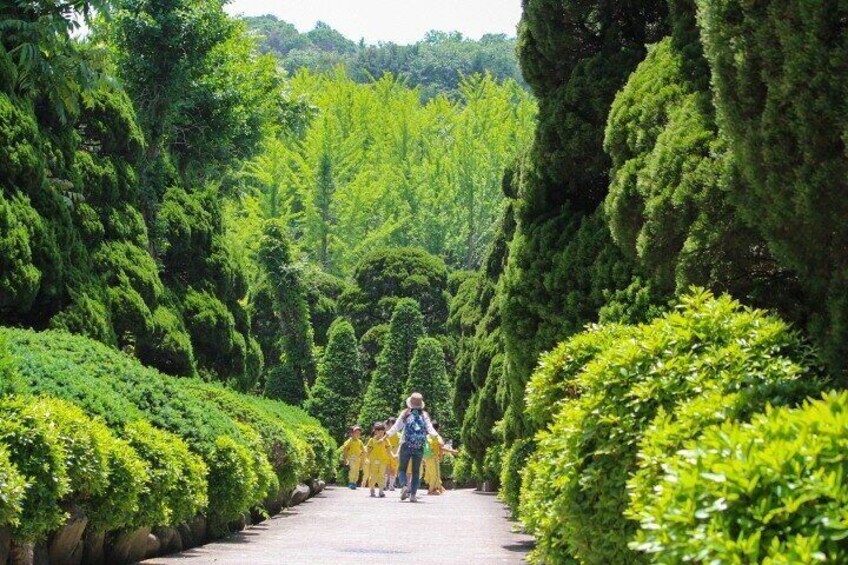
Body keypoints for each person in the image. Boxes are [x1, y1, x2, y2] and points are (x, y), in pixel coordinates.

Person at [384, 392, 441, 503]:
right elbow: (430, 428)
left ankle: (404, 486)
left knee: (402, 469)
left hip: (405, 443)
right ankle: (413, 495)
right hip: (419, 445)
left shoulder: (405, 413)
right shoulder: (424, 415)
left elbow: (396, 427)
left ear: (410, 403)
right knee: (415, 472)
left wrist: (386, 435)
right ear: (421, 404)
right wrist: (437, 437)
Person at [365, 422, 392, 497]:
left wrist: (392, 457)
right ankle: (372, 488)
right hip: (373, 461)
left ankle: (381, 491)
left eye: (382, 431)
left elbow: (389, 450)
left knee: (382, 475)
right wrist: (366, 459)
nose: (381, 433)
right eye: (378, 431)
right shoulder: (371, 440)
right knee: (373, 476)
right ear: (375, 431)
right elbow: (368, 450)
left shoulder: (386, 440)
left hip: (383, 460)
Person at [341, 425, 365, 489]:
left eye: (359, 433)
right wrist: (345, 459)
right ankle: (351, 482)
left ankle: (354, 482)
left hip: (358, 458)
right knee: (353, 469)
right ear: (352, 433)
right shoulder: (349, 441)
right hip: (351, 457)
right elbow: (345, 449)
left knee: (357, 471)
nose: (358, 434)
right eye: (356, 432)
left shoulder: (360, 441)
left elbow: (364, 449)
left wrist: (364, 454)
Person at [384, 417, 399, 491]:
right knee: (386, 469)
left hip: (395, 454)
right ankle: (384, 485)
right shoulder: (386, 434)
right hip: (387, 453)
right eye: (390, 424)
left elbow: (400, 445)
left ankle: (391, 485)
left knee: (393, 470)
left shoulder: (398, 435)